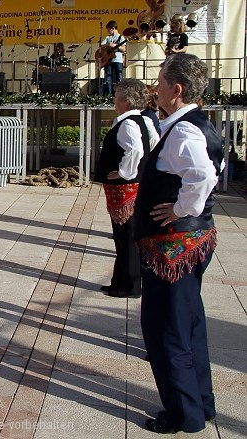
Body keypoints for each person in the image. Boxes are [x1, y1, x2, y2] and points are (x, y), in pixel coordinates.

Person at [136, 54, 224, 434]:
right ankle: (199, 402)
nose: (154, 89)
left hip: (173, 247)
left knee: (166, 329)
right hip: (192, 240)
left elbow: (202, 176)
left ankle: (183, 414)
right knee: (189, 324)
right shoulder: (195, 124)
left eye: (158, 82)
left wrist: (179, 208)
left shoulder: (184, 131)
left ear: (177, 89)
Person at [93, 79, 159, 298]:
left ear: (126, 100)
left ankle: (130, 284)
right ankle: (119, 280)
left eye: (116, 97)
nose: (114, 101)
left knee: (127, 235)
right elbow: (154, 144)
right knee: (122, 235)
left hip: (126, 189)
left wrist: (124, 173)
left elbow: (136, 151)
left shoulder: (129, 124)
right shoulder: (142, 121)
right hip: (130, 187)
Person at [101, 21, 126, 95]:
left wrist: (116, 46)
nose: (108, 31)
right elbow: (101, 46)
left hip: (118, 60)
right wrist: (108, 44)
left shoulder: (121, 37)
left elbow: (124, 49)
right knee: (108, 77)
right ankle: (109, 94)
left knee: (119, 78)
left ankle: (119, 94)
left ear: (113, 28)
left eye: (109, 30)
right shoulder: (108, 37)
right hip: (108, 60)